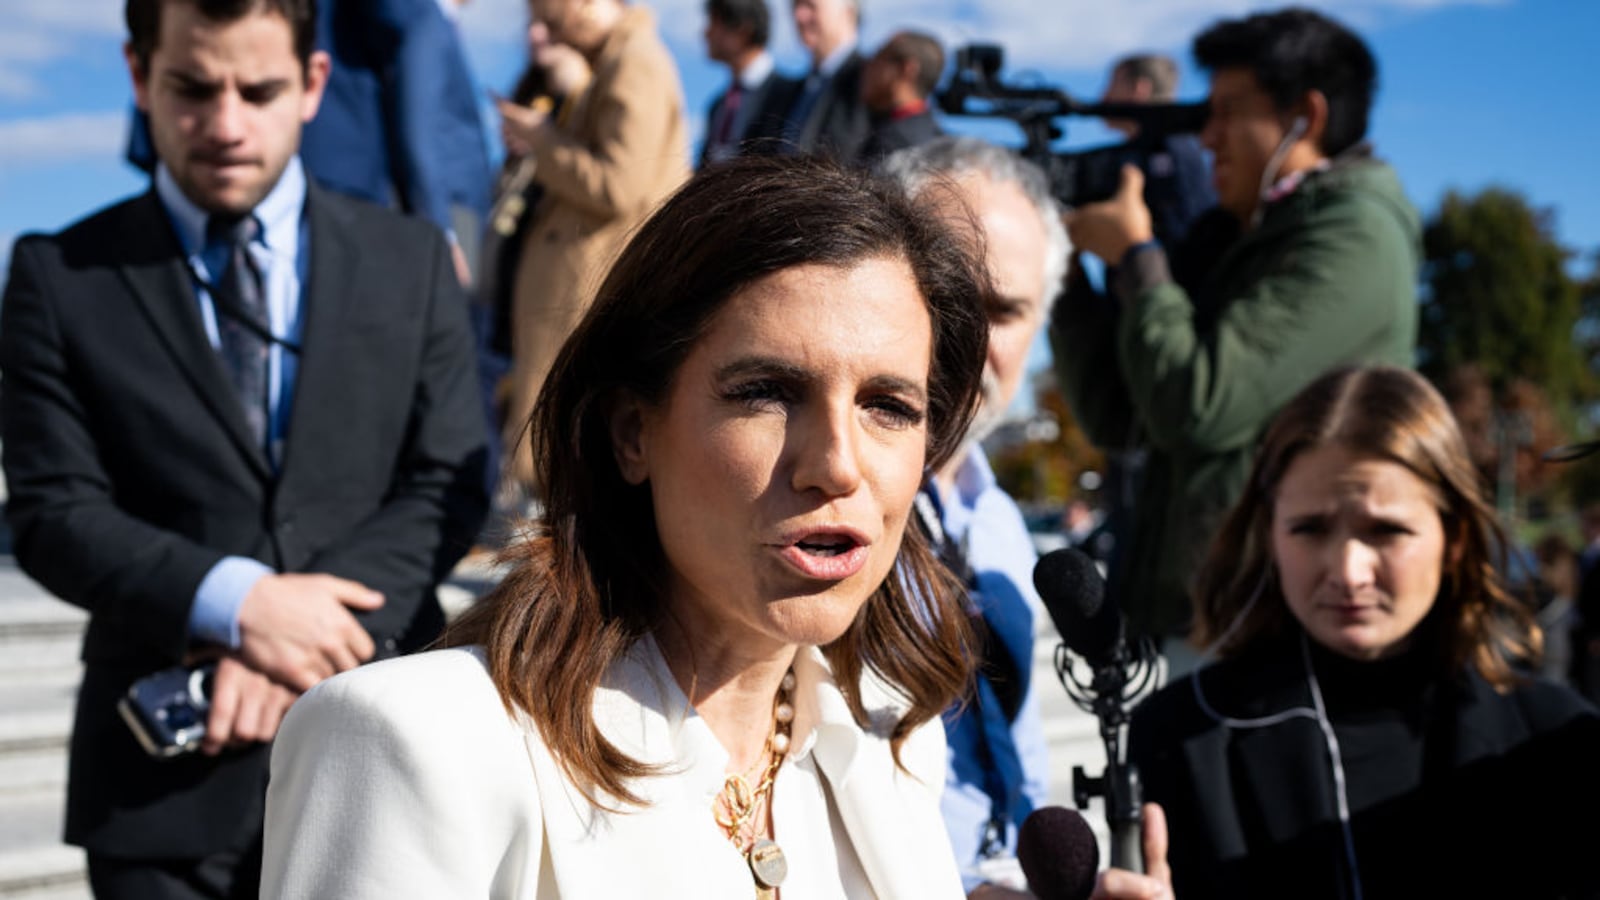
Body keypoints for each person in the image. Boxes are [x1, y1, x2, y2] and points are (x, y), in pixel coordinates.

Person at [260, 156, 990, 897]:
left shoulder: (894, 745)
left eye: (889, 407)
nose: (836, 464)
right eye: (766, 393)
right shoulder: (411, 741)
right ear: (632, 433)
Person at [0, 0, 491, 896]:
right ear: (139, 75)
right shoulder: (56, 274)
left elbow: (450, 478)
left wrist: (302, 636)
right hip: (161, 790)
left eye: (258, 91)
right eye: (193, 89)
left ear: (311, 83)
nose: (226, 126)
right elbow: (51, 509)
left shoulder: (411, 259)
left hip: (388, 759)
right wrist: (240, 604)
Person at [1101, 366, 1600, 900]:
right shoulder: (1183, 738)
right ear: (1269, 532)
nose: (1348, 571)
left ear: (1454, 538)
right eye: (1310, 528)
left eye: (1385, 530)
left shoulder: (1554, 739)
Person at [1050, 7, 1419, 674]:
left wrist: (1137, 258)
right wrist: (1067, 270)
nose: (1207, 138)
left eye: (1226, 113)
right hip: (1203, 615)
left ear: (1305, 117)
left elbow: (1195, 407)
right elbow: (1121, 416)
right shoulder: (1239, 236)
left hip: (1277, 632)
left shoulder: (1354, 234)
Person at [884, 136, 1068, 899]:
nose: (975, 338)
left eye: (1007, 310)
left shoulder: (998, 519)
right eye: (949, 292)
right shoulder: (819, 507)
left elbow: (1025, 755)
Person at [495, 0, 690, 506]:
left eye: (554, 19)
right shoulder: (619, 62)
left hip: (589, 285)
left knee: (570, 462)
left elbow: (619, 183)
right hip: (581, 282)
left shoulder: (635, 64)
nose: (552, 33)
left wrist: (543, 140)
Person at [299, 0, 493, 288]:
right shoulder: (424, 18)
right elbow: (419, 126)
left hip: (341, 174)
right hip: (442, 204)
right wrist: (440, 231)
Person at [1098, 52, 1215, 250]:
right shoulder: (1183, 146)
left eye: (1112, 86)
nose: (1103, 97)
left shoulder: (1168, 151)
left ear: (1138, 89)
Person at [747, 0, 870, 160]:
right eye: (795, 6)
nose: (799, 15)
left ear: (847, 12)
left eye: (810, 5)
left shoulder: (872, 83)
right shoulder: (783, 95)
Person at [698, 0, 787, 166]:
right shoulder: (717, 106)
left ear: (743, 29)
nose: (706, 33)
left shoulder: (789, 95)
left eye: (715, 23)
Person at [857, 30, 945, 166]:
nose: (867, 67)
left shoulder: (899, 147)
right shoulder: (935, 139)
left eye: (878, 57)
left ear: (907, 69)